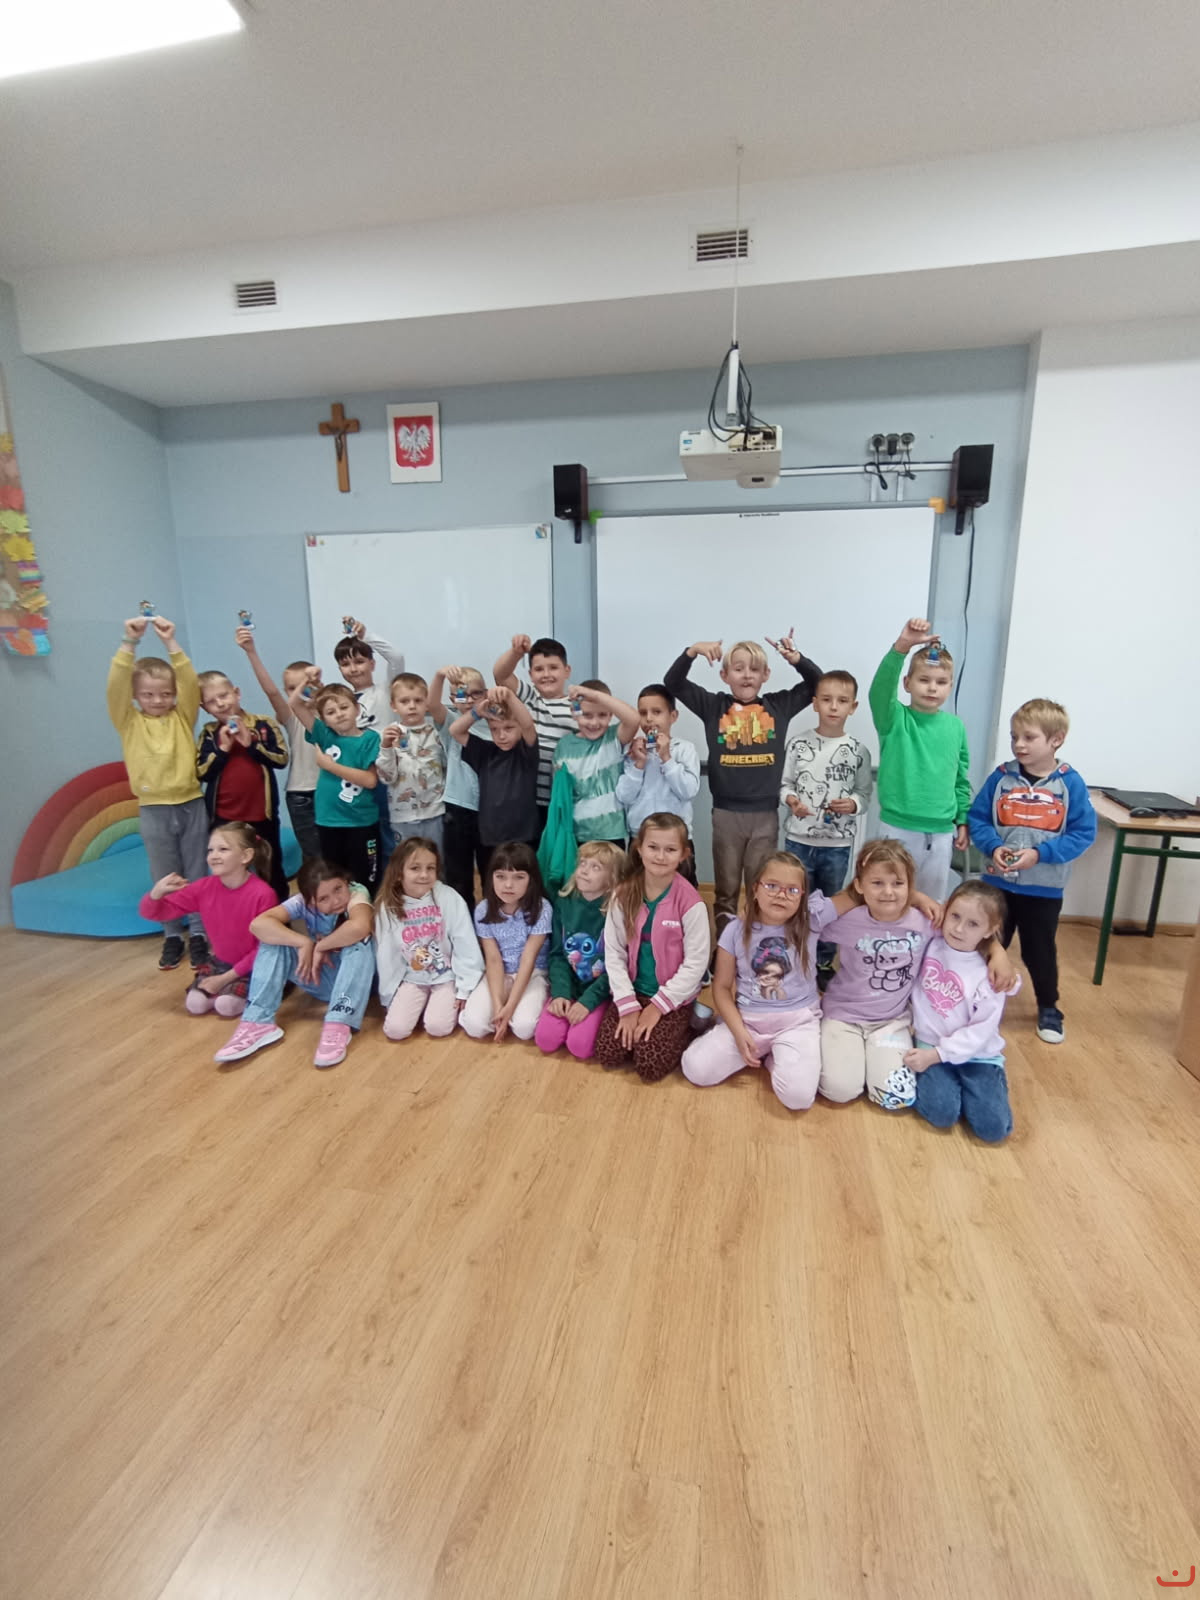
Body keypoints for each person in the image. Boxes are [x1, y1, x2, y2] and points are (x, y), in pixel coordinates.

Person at [818, 839, 1015, 1109]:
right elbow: (808, 922)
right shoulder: (849, 919)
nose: (888, 892)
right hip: (843, 1016)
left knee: (895, 1097)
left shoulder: (926, 921)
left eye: (898, 883)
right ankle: (846, 1060)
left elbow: (966, 931)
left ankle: (868, 1061)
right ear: (860, 885)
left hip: (891, 1022)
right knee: (840, 1091)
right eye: (877, 883)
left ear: (910, 887)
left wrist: (996, 950)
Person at [682, 850, 867, 1110]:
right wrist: (738, 1032)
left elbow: (856, 894)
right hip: (748, 1022)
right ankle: (763, 1050)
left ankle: (774, 1057)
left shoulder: (811, 918)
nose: (781, 895)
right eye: (771, 886)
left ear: (802, 895)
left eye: (792, 890)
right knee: (695, 1069)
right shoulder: (735, 930)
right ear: (755, 889)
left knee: (798, 1098)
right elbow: (721, 988)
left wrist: (916, 896)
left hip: (797, 1023)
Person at [663, 631, 821, 935]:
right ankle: (725, 950)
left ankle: (755, 947)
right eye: (738, 668)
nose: (746, 675)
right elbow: (673, 682)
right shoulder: (713, 706)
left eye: (754, 669)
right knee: (726, 890)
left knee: (761, 889)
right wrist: (693, 651)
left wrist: (797, 659)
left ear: (766, 675)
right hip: (726, 815)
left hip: (765, 816)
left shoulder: (779, 705)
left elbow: (819, 684)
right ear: (724, 675)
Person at [968, 698, 1096, 1045]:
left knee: (1039, 951)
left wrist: (1040, 854)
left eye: (1029, 737)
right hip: (996, 886)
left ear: (1056, 740)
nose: (1019, 745)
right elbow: (978, 819)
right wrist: (993, 846)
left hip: (1043, 889)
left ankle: (1049, 1007)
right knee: (988, 944)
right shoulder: (1001, 778)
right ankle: (975, 1002)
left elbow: (1083, 834)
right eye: (1014, 737)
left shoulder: (1070, 784)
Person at [107, 611, 210, 971]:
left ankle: (199, 932)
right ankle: (172, 934)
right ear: (135, 696)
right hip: (153, 808)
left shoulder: (182, 716)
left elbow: (191, 684)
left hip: (191, 803)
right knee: (165, 874)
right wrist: (129, 642)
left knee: (197, 870)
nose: (157, 700)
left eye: (166, 693)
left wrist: (171, 642)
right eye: (148, 694)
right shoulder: (129, 721)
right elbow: (116, 686)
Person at [213, 857, 376, 1068]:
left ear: (346, 882)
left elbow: (360, 926)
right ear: (311, 902)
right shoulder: (301, 902)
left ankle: (338, 1023)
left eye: (338, 889)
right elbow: (258, 925)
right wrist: (303, 942)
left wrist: (321, 946)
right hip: (324, 979)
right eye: (324, 898)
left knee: (361, 940)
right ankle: (257, 1021)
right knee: (273, 941)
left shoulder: (357, 892)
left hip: (362, 983)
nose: (336, 900)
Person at [595, 813, 711, 1081]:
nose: (660, 856)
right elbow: (614, 953)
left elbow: (695, 964)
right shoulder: (623, 894)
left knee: (649, 1064)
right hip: (633, 990)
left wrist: (657, 1007)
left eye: (670, 850)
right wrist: (627, 1005)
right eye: (653, 847)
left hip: (673, 996)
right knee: (608, 1053)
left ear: (684, 854)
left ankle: (692, 1023)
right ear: (639, 848)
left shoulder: (691, 902)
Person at [907, 881, 1021, 1143]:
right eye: (955, 916)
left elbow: (981, 1031)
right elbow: (902, 900)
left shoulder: (992, 975)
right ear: (945, 910)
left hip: (978, 1056)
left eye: (973, 924)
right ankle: (952, 1090)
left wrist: (938, 1055)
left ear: (990, 930)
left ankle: (982, 1089)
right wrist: (922, 899)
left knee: (993, 1129)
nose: (958, 929)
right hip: (930, 1046)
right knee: (942, 1114)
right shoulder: (932, 939)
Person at [780, 669, 873, 986]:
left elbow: (864, 795)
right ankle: (794, 956)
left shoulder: (858, 751)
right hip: (798, 840)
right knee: (795, 901)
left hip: (837, 844)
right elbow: (785, 784)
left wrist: (853, 805)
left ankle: (822, 962)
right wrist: (792, 800)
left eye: (842, 701)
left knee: (832, 903)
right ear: (815, 703)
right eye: (827, 699)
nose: (834, 706)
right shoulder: (798, 744)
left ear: (853, 707)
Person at [869, 617, 970, 899]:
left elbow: (960, 779)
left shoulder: (956, 727)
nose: (932, 688)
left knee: (930, 904)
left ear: (950, 686)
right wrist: (902, 647)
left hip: (941, 833)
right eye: (924, 680)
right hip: (897, 829)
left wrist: (962, 819)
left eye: (941, 682)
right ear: (907, 683)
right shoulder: (893, 719)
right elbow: (879, 691)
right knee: (890, 900)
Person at [138, 821, 277, 1015]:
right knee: (195, 1005)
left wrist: (225, 979)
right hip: (221, 963)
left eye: (223, 849)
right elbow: (154, 913)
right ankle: (226, 991)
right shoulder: (204, 887)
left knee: (226, 1006)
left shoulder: (263, 894)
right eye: (210, 850)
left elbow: (265, 949)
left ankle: (253, 991)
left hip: (254, 966)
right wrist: (157, 892)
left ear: (245, 856)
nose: (214, 855)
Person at [376, 836, 484, 1041]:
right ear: (398, 873)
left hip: (446, 976)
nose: (424, 875)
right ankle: (421, 1005)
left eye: (430, 868)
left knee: (438, 1027)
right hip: (412, 978)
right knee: (396, 1030)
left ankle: (434, 1007)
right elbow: (386, 955)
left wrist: (465, 988)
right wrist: (389, 994)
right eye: (415, 868)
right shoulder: (388, 906)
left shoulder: (448, 897)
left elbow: (465, 944)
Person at [195, 666, 290, 899]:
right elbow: (201, 772)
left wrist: (251, 744)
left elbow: (281, 759)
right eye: (212, 701)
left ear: (236, 693)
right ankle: (236, 912)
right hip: (224, 818)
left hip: (261, 816)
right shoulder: (209, 733)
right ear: (204, 708)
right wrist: (222, 749)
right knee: (229, 870)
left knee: (270, 867)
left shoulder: (263, 724)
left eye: (224, 695)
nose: (220, 704)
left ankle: (278, 913)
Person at [235, 625, 323, 863]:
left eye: (305, 684)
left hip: (330, 790)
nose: (300, 692)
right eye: (292, 688)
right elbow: (271, 692)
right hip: (301, 794)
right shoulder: (290, 716)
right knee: (313, 856)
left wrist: (317, 682)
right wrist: (251, 652)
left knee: (336, 851)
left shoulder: (330, 712)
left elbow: (328, 697)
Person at [287, 680, 382, 891]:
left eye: (344, 707)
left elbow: (370, 780)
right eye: (330, 712)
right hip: (328, 821)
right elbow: (295, 704)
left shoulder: (370, 739)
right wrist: (306, 681)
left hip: (361, 823)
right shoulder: (325, 735)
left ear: (357, 709)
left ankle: (366, 911)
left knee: (365, 880)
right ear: (324, 720)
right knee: (335, 878)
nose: (339, 714)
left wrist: (330, 766)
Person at [534, 840, 626, 1060]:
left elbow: (618, 967)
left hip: (600, 990)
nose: (584, 871)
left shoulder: (617, 910)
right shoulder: (564, 903)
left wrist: (588, 1002)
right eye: (583, 863)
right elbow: (558, 954)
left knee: (579, 1046)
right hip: (569, 985)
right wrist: (560, 994)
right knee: (546, 1040)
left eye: (595, 867)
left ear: (612, 878)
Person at [459, 842, 553, 1041]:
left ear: (531, 880)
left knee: (524, 1028)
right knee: (475, 1027)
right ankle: (502, 1014)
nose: (508, 885)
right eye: (501, 877)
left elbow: (528, 959)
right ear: (491, 877)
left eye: (519, 877)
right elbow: (493, 959)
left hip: (532, 973)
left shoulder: (542, 908)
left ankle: (533, 1003)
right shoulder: (483, 909)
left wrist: (509, 1007)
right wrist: (498, 1005)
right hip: (499, 973)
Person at [492, 633, 576, 836]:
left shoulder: (577, 708)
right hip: (526, 799)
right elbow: (501, 675)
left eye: (553, 668)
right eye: (539, 669)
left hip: (561, 800)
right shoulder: (530, 697)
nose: (546, 674)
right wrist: (516, 653)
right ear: (530, 674)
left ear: (567, 671)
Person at [614, 683, 701, 879]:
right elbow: (624, 796)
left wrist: (667, 758)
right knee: (637, 887)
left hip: (676, 837)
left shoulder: (684, 749)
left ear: (673, 716)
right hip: (640, 836)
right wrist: (639, 764)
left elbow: (688, 791)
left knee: (682, 888)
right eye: (642, 713)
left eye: (657, 712)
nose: (649, 719)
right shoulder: (633, 751)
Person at [448, 684, 540, 869]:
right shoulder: (485, 752)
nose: (501, 735)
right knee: (492, 879)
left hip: (524, 835)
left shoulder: (525, 752)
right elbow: (455, 730)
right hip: (491, 836)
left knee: (524, 878)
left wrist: (510, 697)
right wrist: (476, 713)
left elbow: (528, 724)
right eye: (495, 729)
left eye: (508, 728)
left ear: (519, 728)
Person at [334, 617, 405, 856]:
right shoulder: (340, 703)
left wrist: (366, 635)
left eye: (359, 661)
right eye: (345, 664)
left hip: (385, 775)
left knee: (389, 836)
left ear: (372, 664)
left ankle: (392, 877)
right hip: (356, 778)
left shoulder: (386, 691)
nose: (353, 669)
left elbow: (396, 657)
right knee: (365, 841)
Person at [429, 664, 491, 908]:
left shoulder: (494, 725)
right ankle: (461, 920)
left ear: (486, 694)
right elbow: (432, 704)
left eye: (476, 693)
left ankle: (489, 920)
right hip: (457, 807)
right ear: (453, 699)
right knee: (458, 874)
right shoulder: (451, 721)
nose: (470, 700)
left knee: (489, 869)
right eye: (462, 695)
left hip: (488, 809)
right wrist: (440, 675)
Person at [552, 680, 641, 844]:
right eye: (587, 715)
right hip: (577, 835)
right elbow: (561, 793)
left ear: (611, 715)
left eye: (602, 715)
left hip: (612, 833)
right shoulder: (564, 746)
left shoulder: (614, 737)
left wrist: (593, 695)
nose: (594, 723)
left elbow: (634, 719)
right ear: (574, 712)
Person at [375, 671, 448, 854]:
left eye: (418, 700)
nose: (412, 706)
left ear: (427, 703)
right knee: (405, 862)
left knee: (435, 860)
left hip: (434, 814)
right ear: (393, 705)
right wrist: (386, 747)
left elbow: (447, 768)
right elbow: (386, 778)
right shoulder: (389, 735)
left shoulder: (436, 733)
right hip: (402, 816)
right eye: (404, 701)